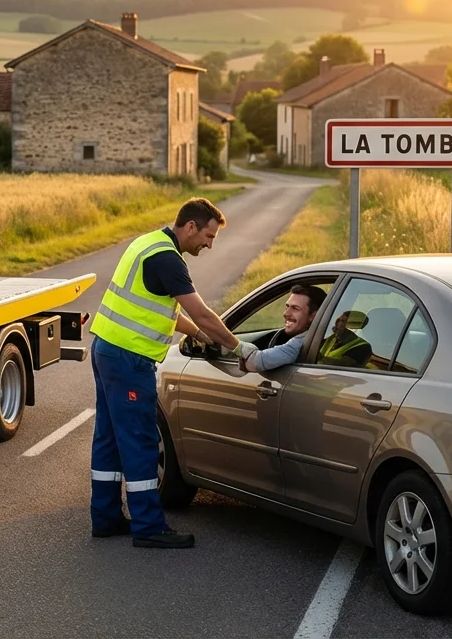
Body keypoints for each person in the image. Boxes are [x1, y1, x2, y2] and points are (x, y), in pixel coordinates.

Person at [88, 197, 256, 549]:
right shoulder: (169, 259)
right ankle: (149, 527)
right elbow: (203, 311)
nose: (209, 245)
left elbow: (160, 307)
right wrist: (239, 348)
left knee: (109, 438)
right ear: (190, 226)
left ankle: (105, 519)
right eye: (208, 236)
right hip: (130, 360)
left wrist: (195, 334)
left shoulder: (147, 243)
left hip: (107, 349)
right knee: (140, 443)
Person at [240, 284, 328, 372]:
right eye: (287, 306)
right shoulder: (323, 336)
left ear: (313, 316)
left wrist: (230, 341)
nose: (286, 313)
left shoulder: (301, 342)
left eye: (295, 308)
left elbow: (255, 362)